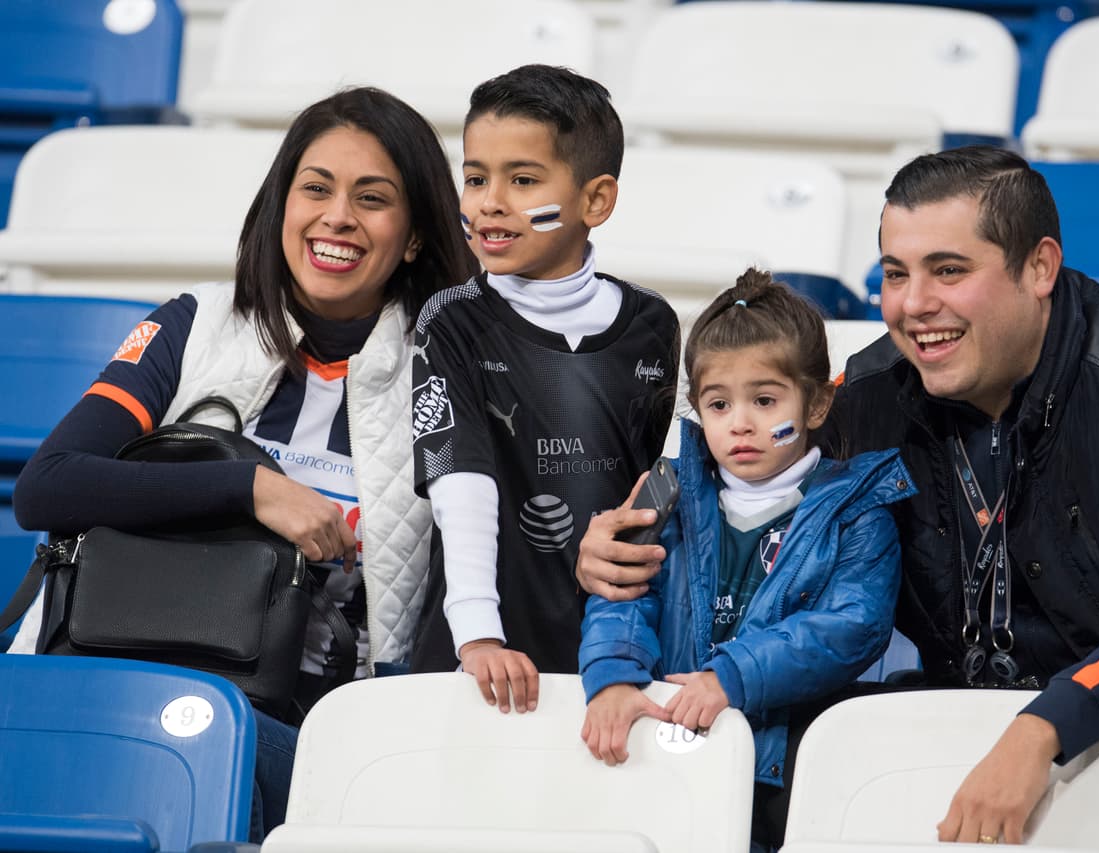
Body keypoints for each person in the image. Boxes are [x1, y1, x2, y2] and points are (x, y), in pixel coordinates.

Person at [576, 146, 1099, 849]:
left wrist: (1048, 724)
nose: (913, 305)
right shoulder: (867, 392)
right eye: (894, 274)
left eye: (949, 270)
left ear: (1039, 267)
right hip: (961, 719)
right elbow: (732, 474)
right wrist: (618, 547)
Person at [11, 86, 477, 841]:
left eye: (372, 198)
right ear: (281, 204)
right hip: (110, 681)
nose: (337, 217)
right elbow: (49, 484)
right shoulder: (192, 326)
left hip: (312, 738)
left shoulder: (447, 382)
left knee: (222, 749)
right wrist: (250, 489)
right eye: (316, 188)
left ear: (416, 236)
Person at [578, 269, 913, 850]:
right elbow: (623, 594)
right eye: (718, 404)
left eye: (764, 400)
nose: (740, 423)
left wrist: (732, 676)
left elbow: (853, 626)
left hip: (789, 777)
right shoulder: (665, 493)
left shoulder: (857, 509)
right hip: (670, 761)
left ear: (816, 403)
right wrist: (612, 677)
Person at [409, 64, 680, 714]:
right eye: (476, 177)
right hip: (481, 659)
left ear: (596, 201)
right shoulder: (451, 320)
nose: (489, 202)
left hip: (610, 657)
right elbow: (460, 484)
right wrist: (478, 634)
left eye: (523, 180)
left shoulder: (654, 325)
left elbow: (652, 497)